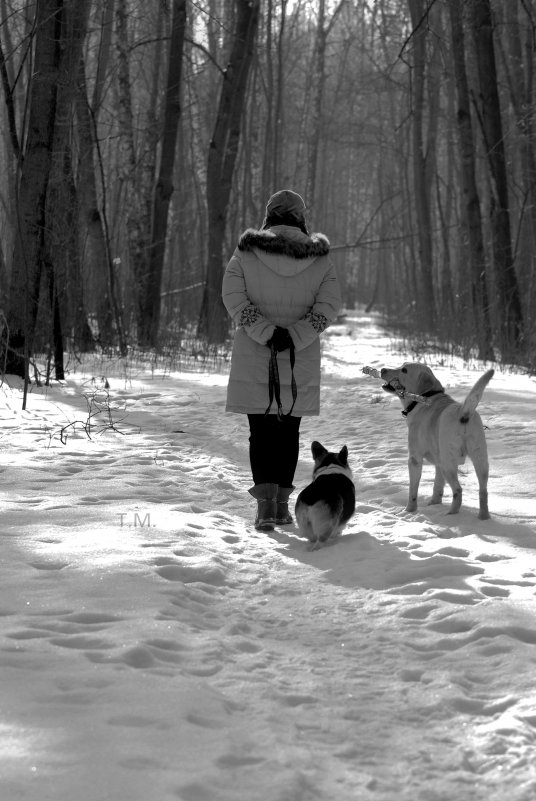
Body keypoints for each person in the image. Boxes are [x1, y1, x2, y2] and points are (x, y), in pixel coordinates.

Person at [222, 189, 341, 531]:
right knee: (289, 431)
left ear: (269, 215)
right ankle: (282, 507)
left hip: (254, 353)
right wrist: (296, 335)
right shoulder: (319, 257)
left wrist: (265, 332)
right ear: (301, 217)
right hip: (297, 357)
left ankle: (264, 509)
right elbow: (328, 305)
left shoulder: (246, 251)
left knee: (259, 432)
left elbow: (233, 297)